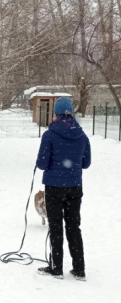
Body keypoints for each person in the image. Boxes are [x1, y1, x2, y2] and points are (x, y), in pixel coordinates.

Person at [36, 97, 91, 281]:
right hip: (74, 187)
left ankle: (56, 268)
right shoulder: (82, 135)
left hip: (54, 187)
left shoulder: (49, 135)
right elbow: (86, 163)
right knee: (74, 226)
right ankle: (79, 269)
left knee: (56, 226)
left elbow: (42, 164)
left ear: (57, 113)